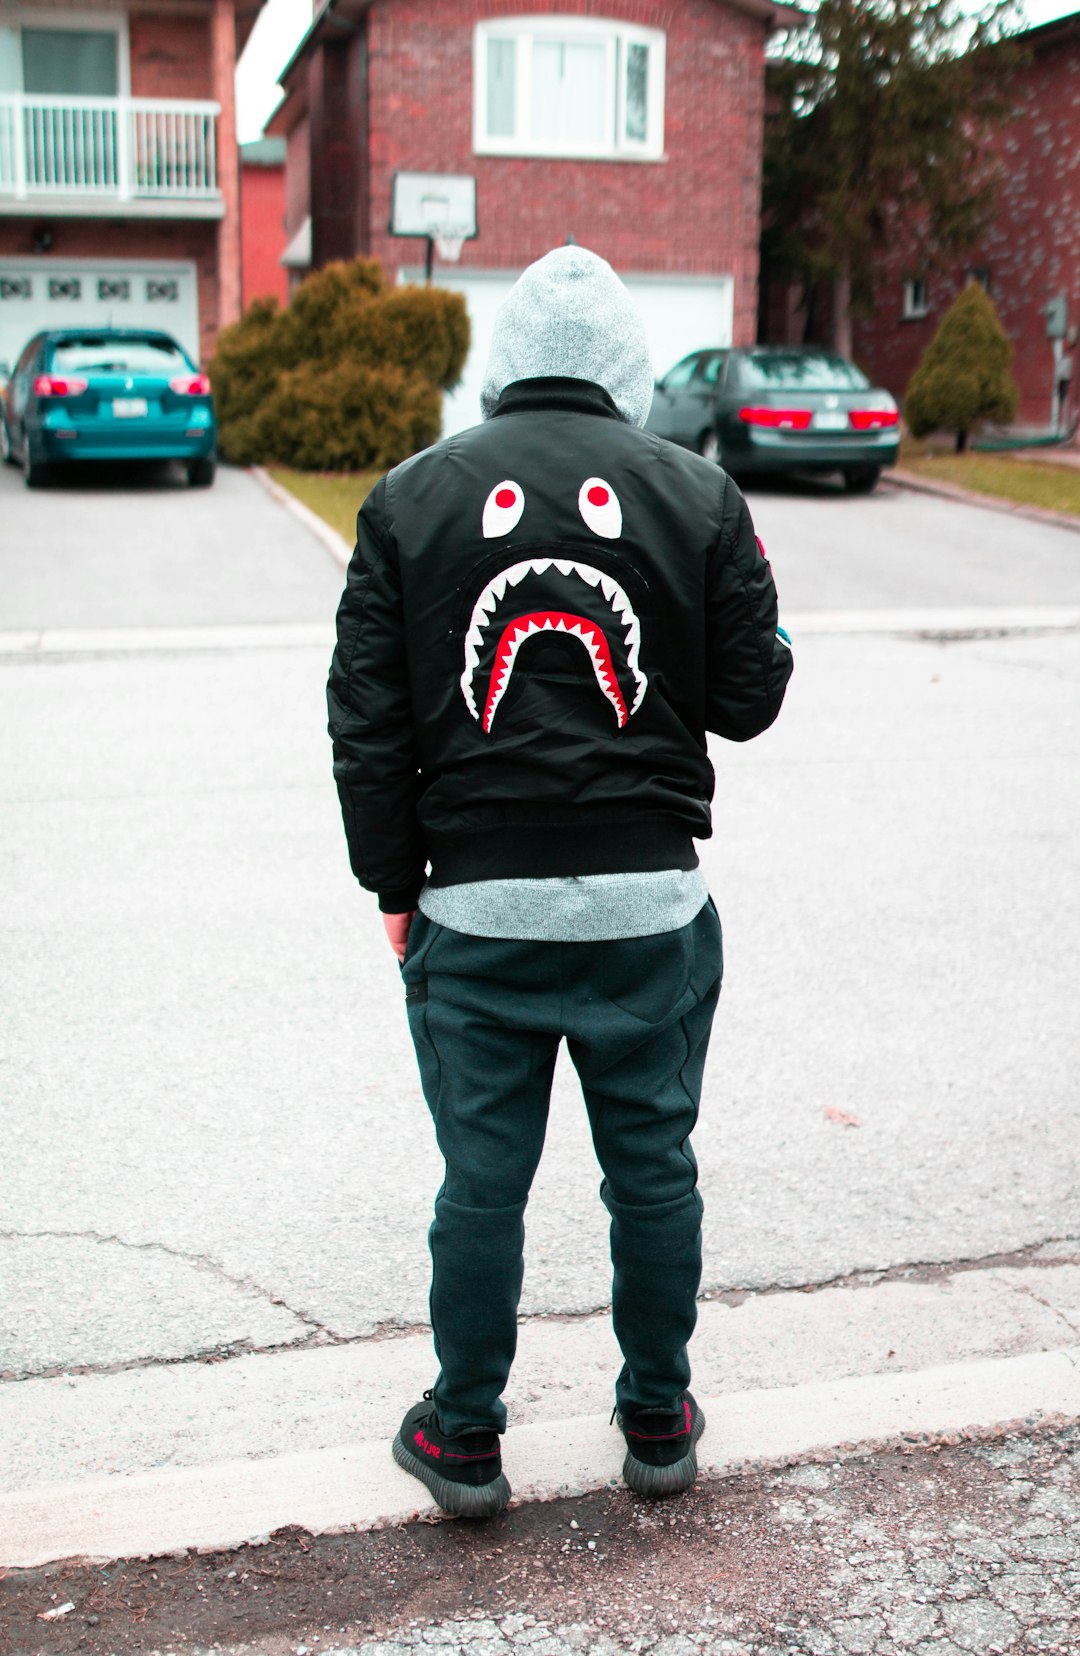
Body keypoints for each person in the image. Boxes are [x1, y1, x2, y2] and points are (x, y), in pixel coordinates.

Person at [327, 246, 793, 1518]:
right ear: (629, 375)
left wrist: (394, 887)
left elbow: (366, 722)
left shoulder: (408, 497)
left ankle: (465, 1436)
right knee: (652, 1170)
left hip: (474, 914)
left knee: (481, 1180)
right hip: (652, 910)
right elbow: (752, 699)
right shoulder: (699, 493)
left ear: (501, 367)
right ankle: (657, 1418)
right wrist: (759, 606)